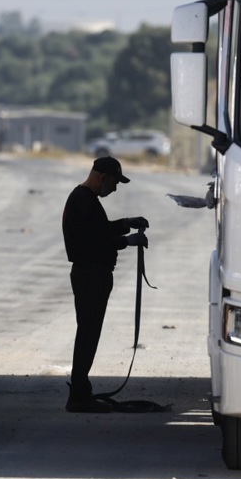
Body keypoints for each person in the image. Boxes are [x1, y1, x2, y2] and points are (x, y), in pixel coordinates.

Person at [61, 156, 149, 413]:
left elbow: (99, 230)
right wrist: (128, 241)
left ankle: (80, 392)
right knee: (88, 334)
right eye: (114, 182)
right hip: (90, 274)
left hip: (92, 274)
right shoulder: (84, 200)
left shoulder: (85, 199)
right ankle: (79, 395)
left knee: (89, 333)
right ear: (102, 178)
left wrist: (125, 224)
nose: (114, 188)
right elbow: (97, 240)